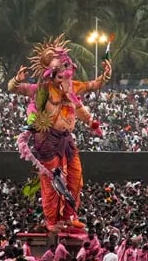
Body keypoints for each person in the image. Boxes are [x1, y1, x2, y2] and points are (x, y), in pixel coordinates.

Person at [10, 36, 112, 233]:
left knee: (75, 177)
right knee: (53, 181)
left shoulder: (72, 87)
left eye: (67, 71)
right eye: (61, 74)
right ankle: (52, 220)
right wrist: (16, 80)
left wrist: (92, 122)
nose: (66, 77)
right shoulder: (43, 89)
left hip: (67, 139)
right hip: (47, 139)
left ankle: (69, 216)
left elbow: (91, 88)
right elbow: (14, 89)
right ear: (51, 74)